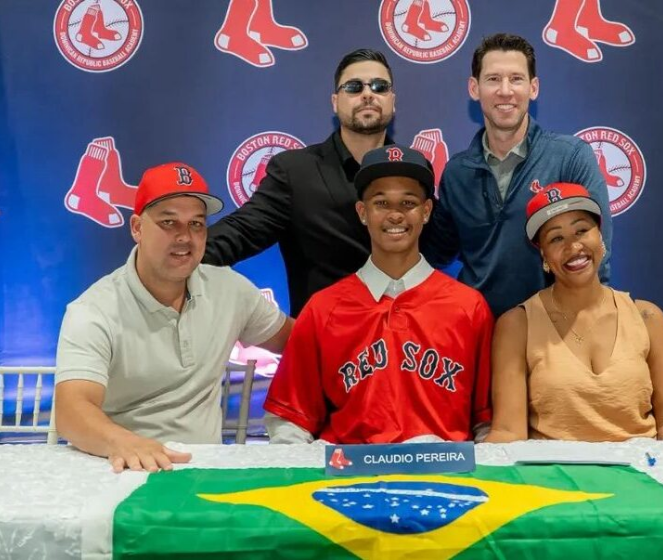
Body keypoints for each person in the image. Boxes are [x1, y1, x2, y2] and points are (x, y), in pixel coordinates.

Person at [55, 163, 294, 472]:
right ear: (137, 228)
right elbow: (72, 410)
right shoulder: (94, 310)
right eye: (169, 222)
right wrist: (125, 443)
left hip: (204, 473)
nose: (185, 237)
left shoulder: (229, 288)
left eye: (197, 224)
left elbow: (299, 341)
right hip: (123, 471)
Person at [263, 145, 493, 444]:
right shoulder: (324, 308)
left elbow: (488, 423)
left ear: (426, 212)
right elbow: (290, 421)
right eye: (381, 202)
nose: (395, 215)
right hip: (348, 481)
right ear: (362, 212)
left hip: (442, 479)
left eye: (408, 202)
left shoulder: (468, 307)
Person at [422, 33, 612, 317]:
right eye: (493, 79)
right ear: (474, 88)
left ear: (533, 88)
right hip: (480, 335)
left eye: (516, 79)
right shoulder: (456, 173)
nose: (505, 91)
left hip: (556, 333)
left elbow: (598, 253)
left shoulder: (570, 157)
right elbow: (435, 253)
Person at [486, 183, 663, 442]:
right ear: (543, 253)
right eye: (556, 238)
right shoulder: (517, 325)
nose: (573, 247)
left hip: (640, 475)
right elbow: (507, 432)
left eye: (581, 230)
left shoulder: (648, 317)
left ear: (600, 237)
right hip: (554, 478)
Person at [202, 48, 397, 316]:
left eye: (379, 86)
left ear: (392, 100)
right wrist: (175, 254)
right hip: (324, 346)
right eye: (353, 87)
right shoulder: (295, 172)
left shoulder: (413, 173)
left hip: (406, 349)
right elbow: (241, 232)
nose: (367, 94)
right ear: (334, 101)